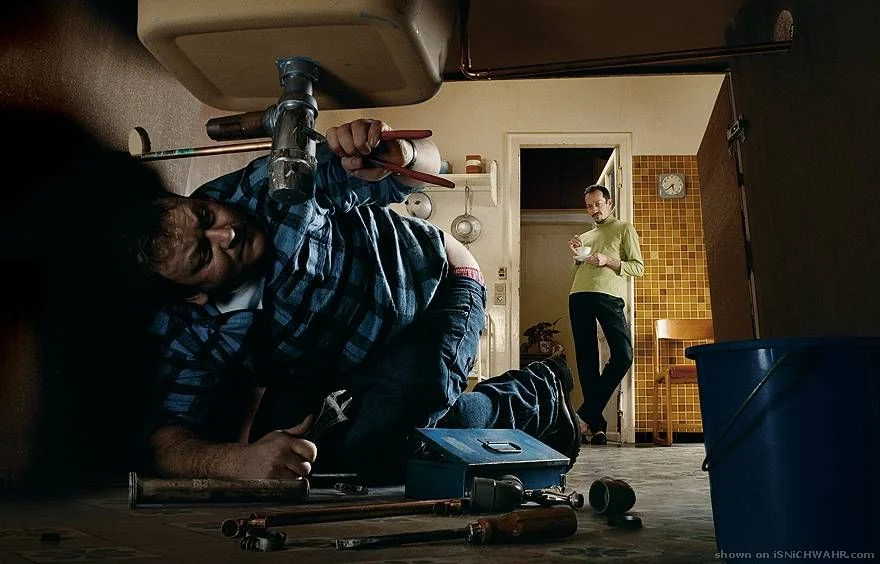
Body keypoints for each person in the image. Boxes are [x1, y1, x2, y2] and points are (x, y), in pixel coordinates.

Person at [117, 118, 580, 485]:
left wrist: (400, 152)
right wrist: (240, 462)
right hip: (342, 355)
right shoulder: (186, 330)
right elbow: (166, 439)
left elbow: (425, 165)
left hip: (437, 290)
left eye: (204, 215)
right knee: (311, 460)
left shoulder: (271, 189)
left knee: (380, 450)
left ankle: (535, 393)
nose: (227, 233)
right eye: (204, 254)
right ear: (193, 295)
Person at [567, 185, 644, 445]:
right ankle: (596, 426)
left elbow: (638, 267)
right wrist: (578, 255)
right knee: (586, 361)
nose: (594, 210)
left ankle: (584, 416)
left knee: (623, 355)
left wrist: (607, 260)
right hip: (579, 295)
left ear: (609, 203)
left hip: (608, 296)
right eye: (589, 206)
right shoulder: (585, 236)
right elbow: (577, 270)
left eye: (598, 204)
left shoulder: (624, 228)